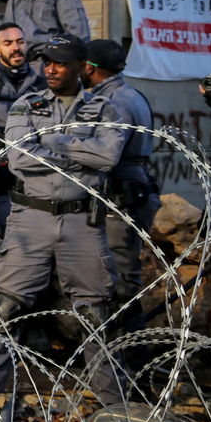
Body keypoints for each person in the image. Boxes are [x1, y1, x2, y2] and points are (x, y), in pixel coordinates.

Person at [0, 35, 126, 410]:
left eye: (60, 62)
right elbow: (18, 158)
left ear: (82, 66)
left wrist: (50, 144)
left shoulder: (104, 108)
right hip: (30, 219)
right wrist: (78, 152)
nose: (50, 69)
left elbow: (108, 157)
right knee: (5, 308)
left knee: (96, 313)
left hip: (82, 224)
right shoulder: (27, 104)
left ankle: (113, 407)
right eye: (46, 62)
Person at [81, 39, 159, 332]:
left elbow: (107, 154)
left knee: (120, 276)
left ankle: (128, 353)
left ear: (89, 67)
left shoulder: (114, 102)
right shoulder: (130, 93)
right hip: (133, 187)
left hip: (122, 193)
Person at [0, 22, 44, 235]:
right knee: (9, 233)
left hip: (37, 178)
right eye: (8, 43)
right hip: (0, 178)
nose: (15, 47)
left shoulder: (43, 85)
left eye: (20, 41)